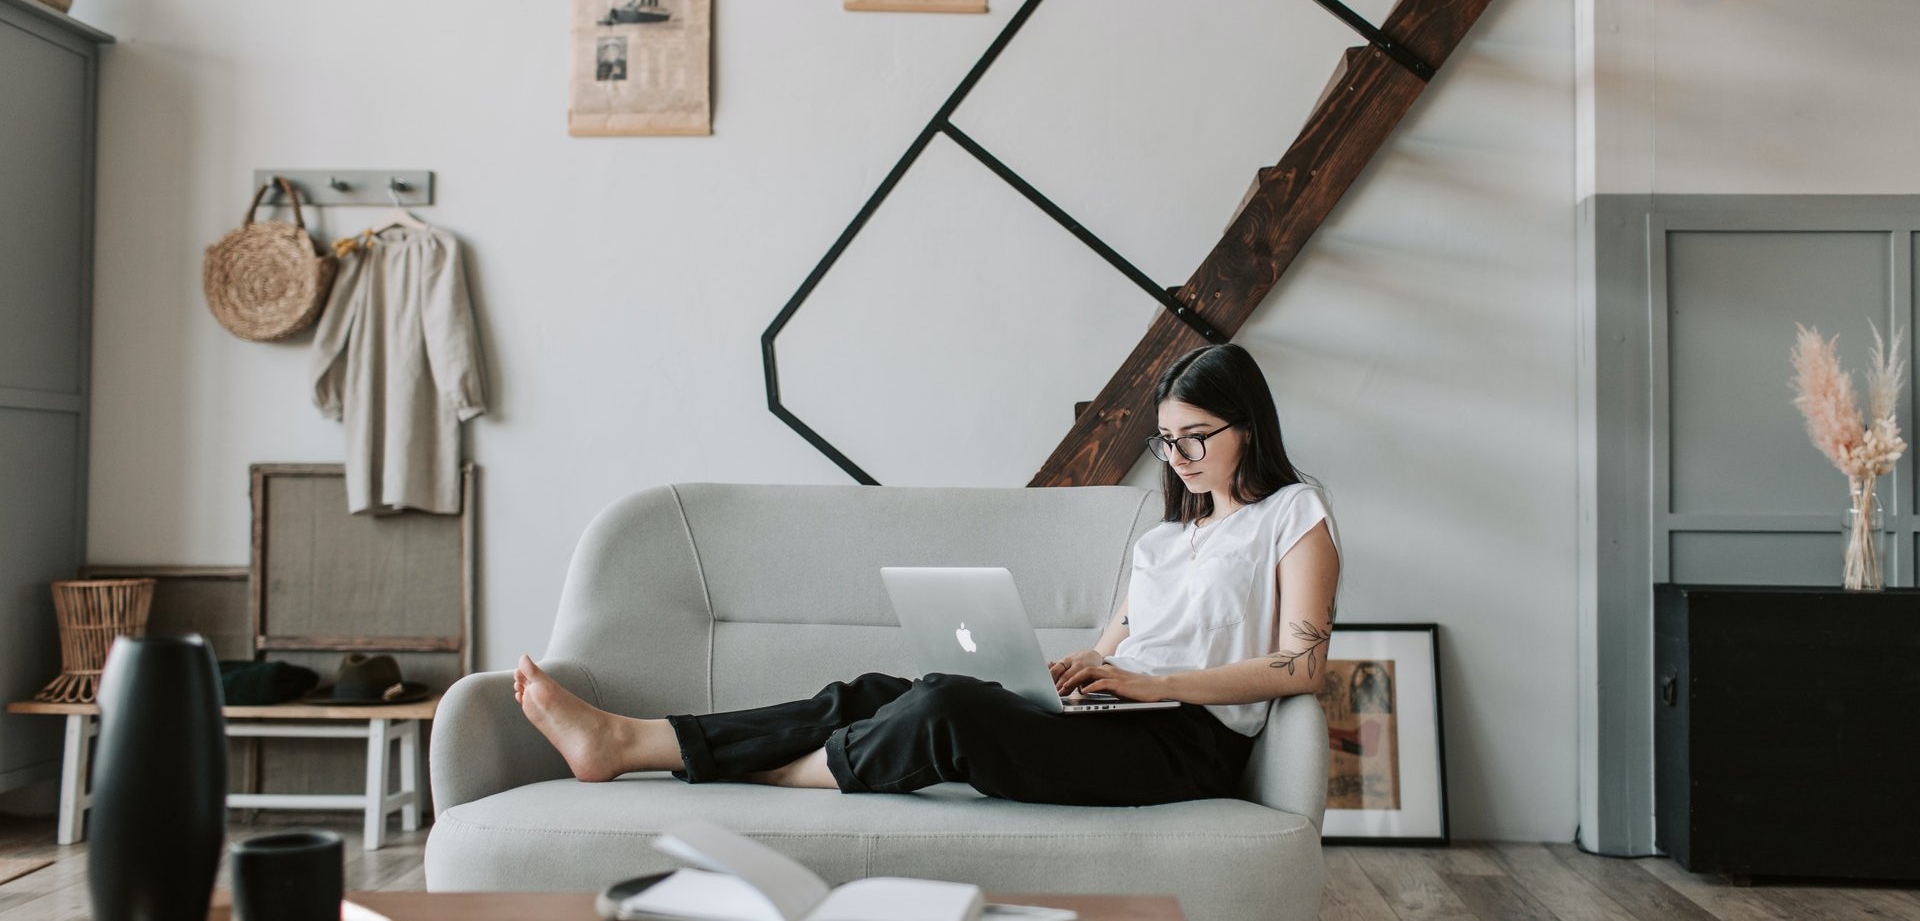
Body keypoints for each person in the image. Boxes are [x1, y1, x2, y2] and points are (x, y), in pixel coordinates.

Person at [515, 343, 1341, 807]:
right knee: (879, 690)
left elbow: (1303, 667)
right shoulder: (1164, 539)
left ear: (1248, 425)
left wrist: (1150, 685)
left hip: (1183, 748)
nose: (1179, 458)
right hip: (1112, 721)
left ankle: (769, 770)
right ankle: (627, 740)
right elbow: (1112, 649)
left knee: (944, 709)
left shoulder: (1293, 515)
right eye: (1166, 441)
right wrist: (1075, 677)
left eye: (1195, 436)